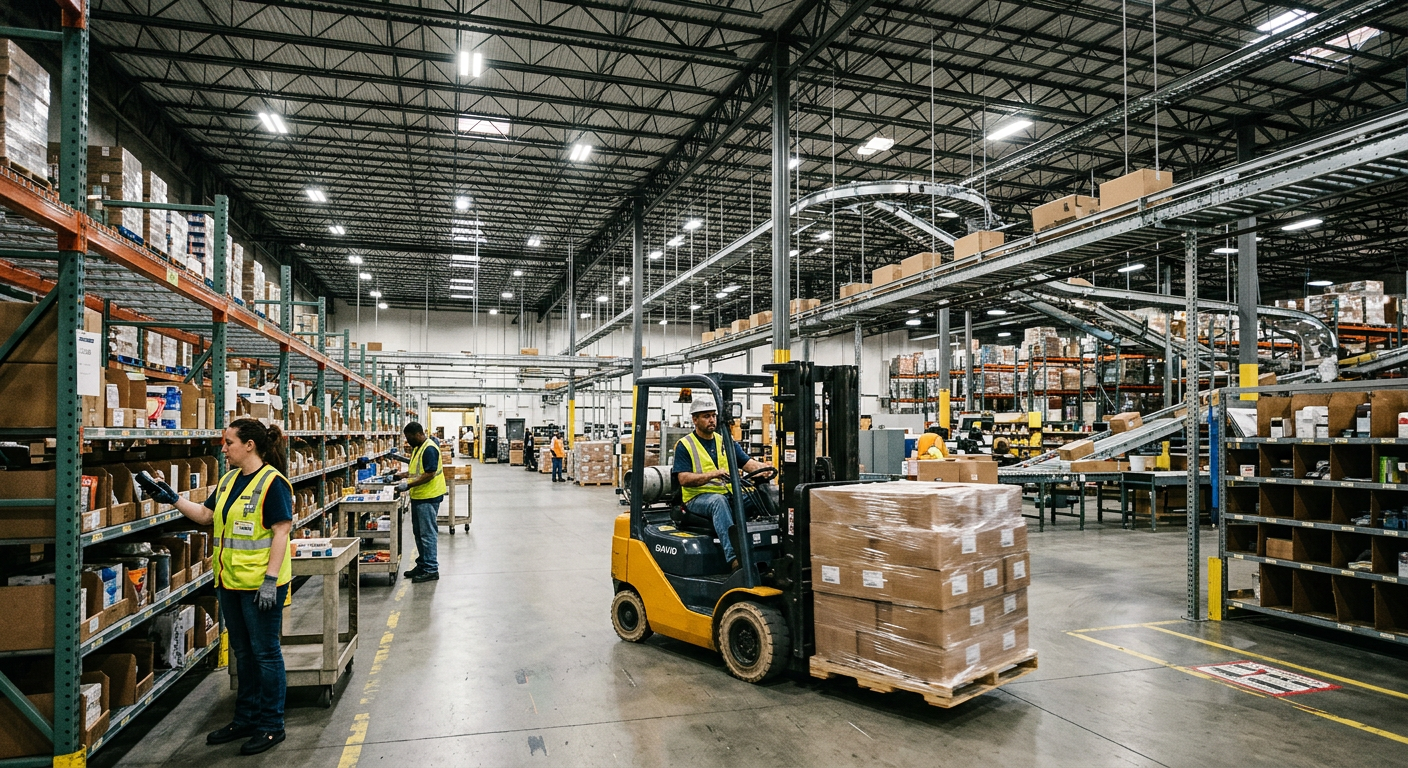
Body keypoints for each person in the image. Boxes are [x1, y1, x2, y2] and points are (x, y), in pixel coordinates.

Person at [136, 419, 293, 756]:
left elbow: (281, 531)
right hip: (228, 582)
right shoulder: (228, 481)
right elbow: (207, 516)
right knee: (243, 653)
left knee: (265, 654)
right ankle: (246, 717)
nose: (224, 449)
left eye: (229, 443)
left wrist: (270, 580)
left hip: (260, 587)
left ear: (249, 445)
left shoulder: (273, 483)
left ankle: (271, 725)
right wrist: (173, 498)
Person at [674, 395, 774, 572]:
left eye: (713, 415)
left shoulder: (724, 441)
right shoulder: (685, 445)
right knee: (717, 502)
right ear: (695, 419)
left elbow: (747, 463)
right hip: (697, 499)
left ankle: (774, 548)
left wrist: (764, 468)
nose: (711, 420)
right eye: (706, 416)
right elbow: (683, 479)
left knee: (761, 494)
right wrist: (713, 474)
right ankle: (734, 558)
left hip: (727, 495)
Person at [396, 421, 445, 583]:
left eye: (410, 438)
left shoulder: (429, 448)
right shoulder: (418, 448)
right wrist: (402, 476)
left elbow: (429, 474)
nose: (408, 441)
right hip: (419, 497)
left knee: (427, 534)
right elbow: (418, 471)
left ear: (418, 434)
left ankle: (431, 569)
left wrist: (408, 485)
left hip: (428, 497)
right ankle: (423, 564)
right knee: (419, 533)